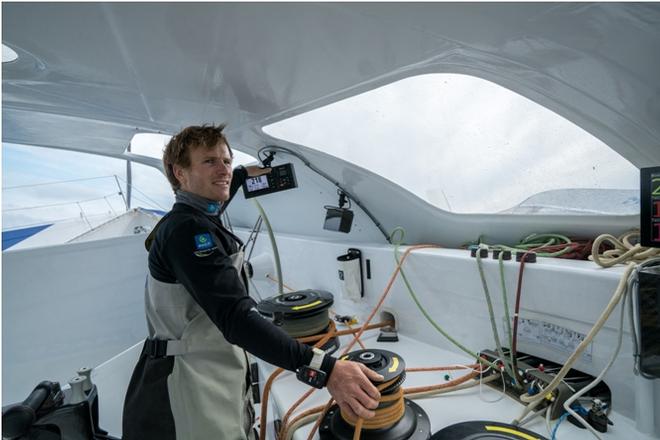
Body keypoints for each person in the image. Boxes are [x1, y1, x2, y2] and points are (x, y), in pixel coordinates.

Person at [122, 124, 382, 440]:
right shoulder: (188, 231)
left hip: (209, 372)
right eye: (209, 162)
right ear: (180, 172)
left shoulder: (196, 217)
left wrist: (243, 174)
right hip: (187, 386)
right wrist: (325, 369)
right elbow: (236, 317)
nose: (223, 170)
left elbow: (221, 192)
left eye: (226, 161)